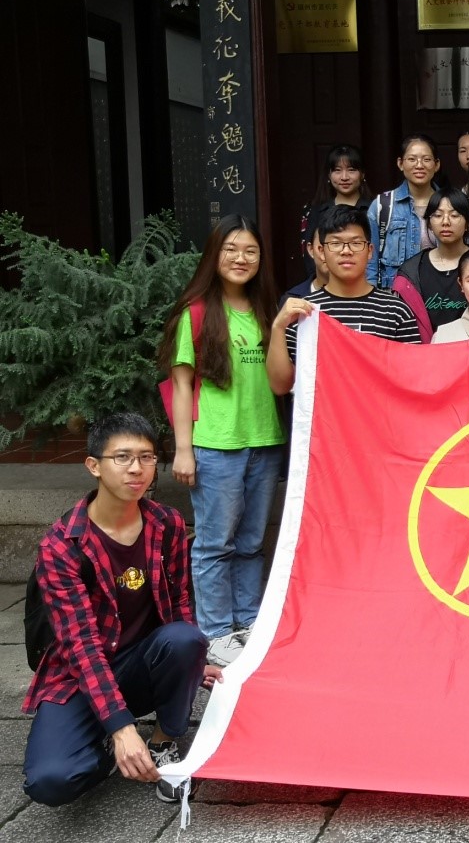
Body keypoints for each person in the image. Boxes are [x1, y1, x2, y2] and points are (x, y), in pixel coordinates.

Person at [22, 413, 220, 807]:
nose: (136, 468)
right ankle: (108, 748)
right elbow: (81, 646)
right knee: (51, 781)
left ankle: (163, 741)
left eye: (146, 457)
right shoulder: (62, 546)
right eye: (122, 457)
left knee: (186, 638)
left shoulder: (167, 523)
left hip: (139, 665)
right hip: (79, 674)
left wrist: (193, 660)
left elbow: (180, 601)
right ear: (93, 466)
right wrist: (120, 728)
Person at [157, 214, 284, 667]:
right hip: (215, 445)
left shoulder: (267, 310)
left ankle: (248, 623)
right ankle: (215, 632)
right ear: (214, 254)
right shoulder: (194, 314)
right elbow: (181, 387)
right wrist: (183, 450)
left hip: (265, 442)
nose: (240, 258)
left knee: (251, 542)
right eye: (231, 249)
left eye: (250, 251)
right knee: (215, 545)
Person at [268, 206, 421, 394]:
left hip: (378, 412)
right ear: (321, 251)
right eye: (336, 243)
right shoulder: (306, 311)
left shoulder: (395, 310)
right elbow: (280, 386)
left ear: (370, 251)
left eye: (356, 243)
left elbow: (413, 379)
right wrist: (278, 327)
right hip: (323, 413)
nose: (346, 251)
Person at [393, 190, 469, 341]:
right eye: (437, 215)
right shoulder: (411, 271)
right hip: (424, 352)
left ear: (468, 223)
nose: (445, 222)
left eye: (454, 215)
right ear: (429, 223)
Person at [366, 133, 443, 288]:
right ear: (400, 163)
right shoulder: (383, 205)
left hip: (439, 293)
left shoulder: (450, 204)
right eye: (412, 159)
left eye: (426, 159)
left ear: (436, 164)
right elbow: (370, 262)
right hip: (395, 294)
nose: (419, 165)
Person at [297, 144, 372, 279]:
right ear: (329, 175)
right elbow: (310, 256)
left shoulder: (376, 209)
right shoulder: (316, 211)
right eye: (337, 170)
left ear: (362, 174)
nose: (344, 177)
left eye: (351, 170)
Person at [283, 205, 333, 303]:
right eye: (322, 247)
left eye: (335, 244)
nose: (328, 254)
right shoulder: (293, 299)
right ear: (311, 249)